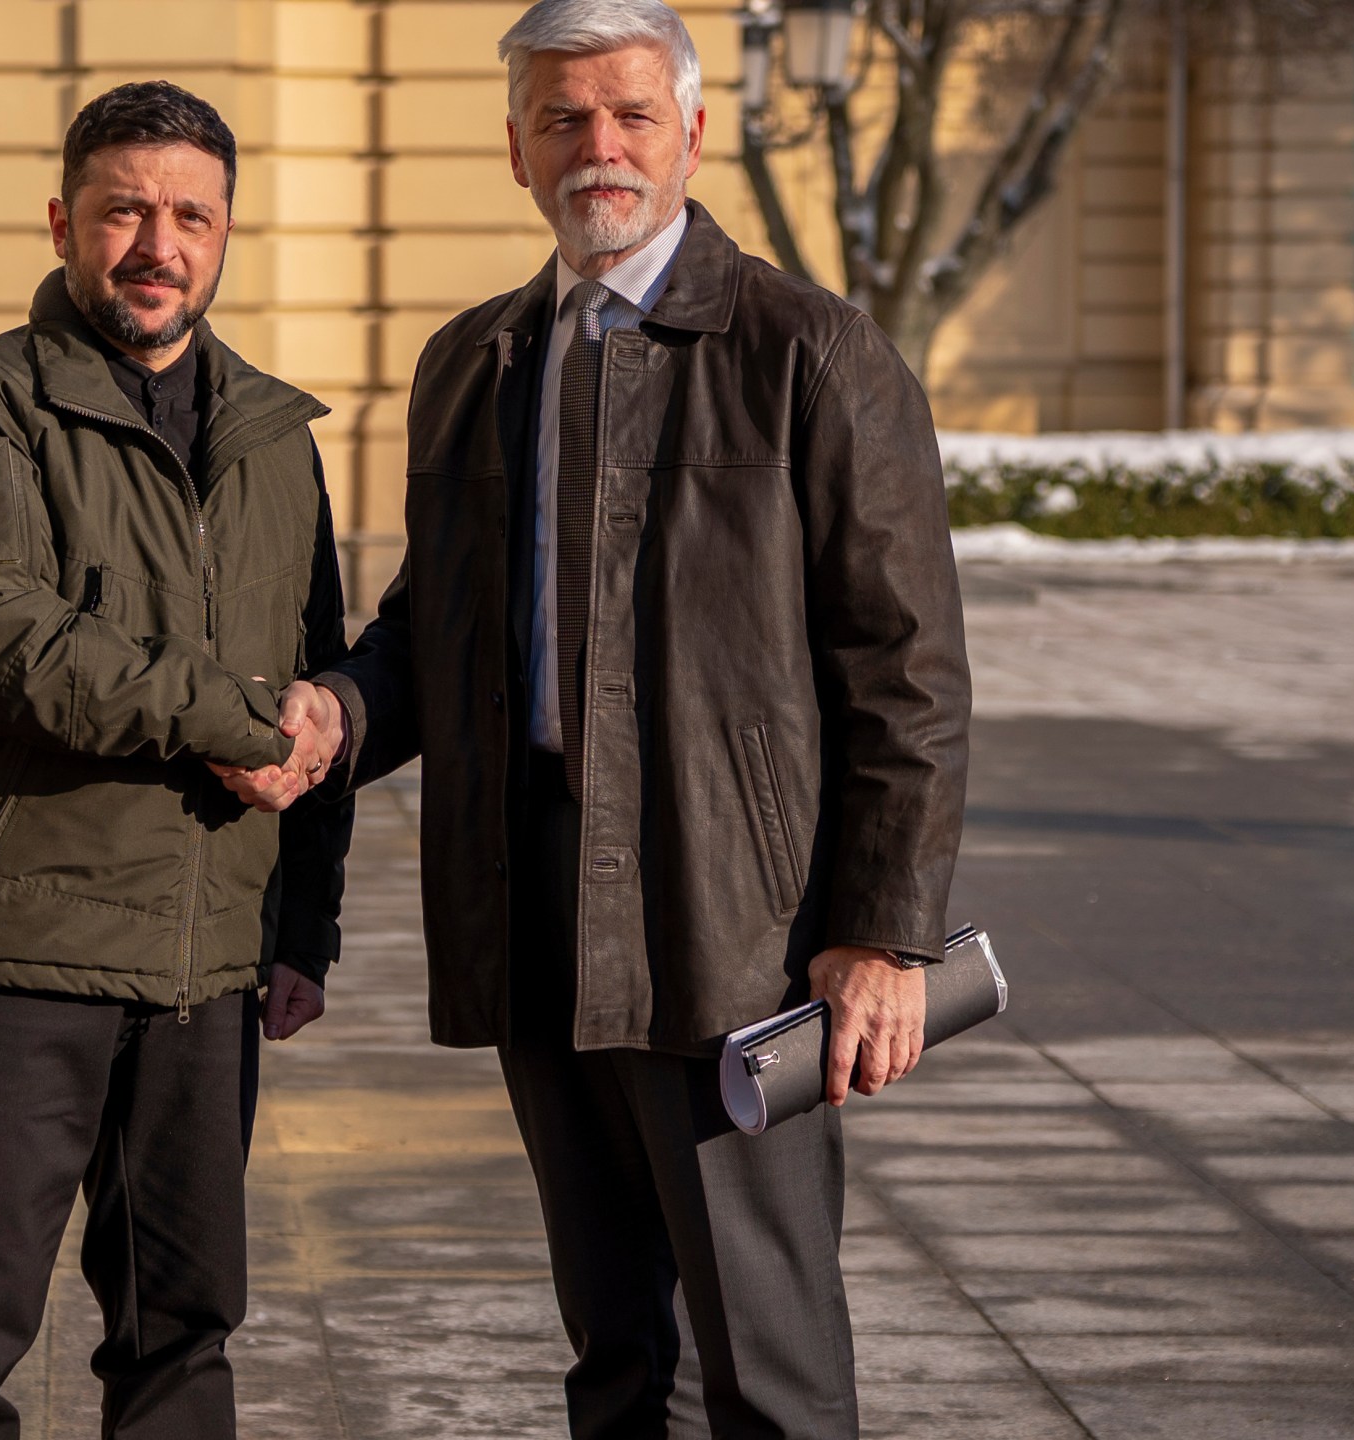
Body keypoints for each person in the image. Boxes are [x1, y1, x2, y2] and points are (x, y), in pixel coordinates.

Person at [231, 0, 973, 1433]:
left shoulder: (809, 353)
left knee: (768, 1362)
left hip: (734, 918)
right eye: (564, 118)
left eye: (632, 115)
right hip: (537, 896)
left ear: (693, 133)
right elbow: (434, 640)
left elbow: (906, 671)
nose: (600, 147)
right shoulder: (473, 364)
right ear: (515, 148)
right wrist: (337, 709)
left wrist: (883, 932)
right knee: (619, 1350)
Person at [0, 81, 353, 1439]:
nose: (158, 243)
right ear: (64, 221)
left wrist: (300, 923)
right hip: (16, 945)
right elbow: (4, 643)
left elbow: (314, 667)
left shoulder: (272, 434)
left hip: (207, 956)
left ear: (225, 231)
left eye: (190, 214)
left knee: (184, 1336)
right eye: (124, 209)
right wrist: (242, 728)